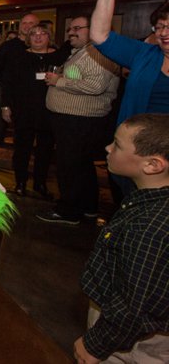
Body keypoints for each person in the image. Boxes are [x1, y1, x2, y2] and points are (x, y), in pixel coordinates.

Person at [73, 113, 169, 364]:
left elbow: (134, 305)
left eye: (117, 145)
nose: (107, 148)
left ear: (152, 165)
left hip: (130, 343)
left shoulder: (150, 227)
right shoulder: (149, 200)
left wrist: (95, 345)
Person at [90, 0, 169, 199]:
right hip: (138, 151)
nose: (164, 33)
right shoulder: (145, 54)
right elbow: (101, 36)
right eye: (160, 27)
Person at [38, 16, 120, 225]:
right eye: (70, 29)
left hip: (78, 121)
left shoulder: (98, 52)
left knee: (70, 167)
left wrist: (60, 81)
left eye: (77, 28)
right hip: (74, 120)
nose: (71, 32)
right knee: (81, 166)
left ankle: (69, 211)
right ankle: (88, 208)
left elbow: (95, 86)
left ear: (94, 30)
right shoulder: (85, 52)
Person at [0, 24, 66, 197]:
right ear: (28, 38)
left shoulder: (59, 57)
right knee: (22, 149)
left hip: (50, 111)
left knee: (45, 151)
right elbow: (8, 83)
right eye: (33, 34)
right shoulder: (19, 57)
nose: (38, 37)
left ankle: (40, 183)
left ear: (49, 36)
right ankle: (20, 182)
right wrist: (5, 106)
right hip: (23, 110)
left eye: (42, 33)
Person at [0, 13, 40, 162]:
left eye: (31, 23)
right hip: (5, 91)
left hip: (30, 94)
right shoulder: (8, 46)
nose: (27, 26)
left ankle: (21, 163)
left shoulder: (41, 47)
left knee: (24, 131)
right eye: (24, 23)